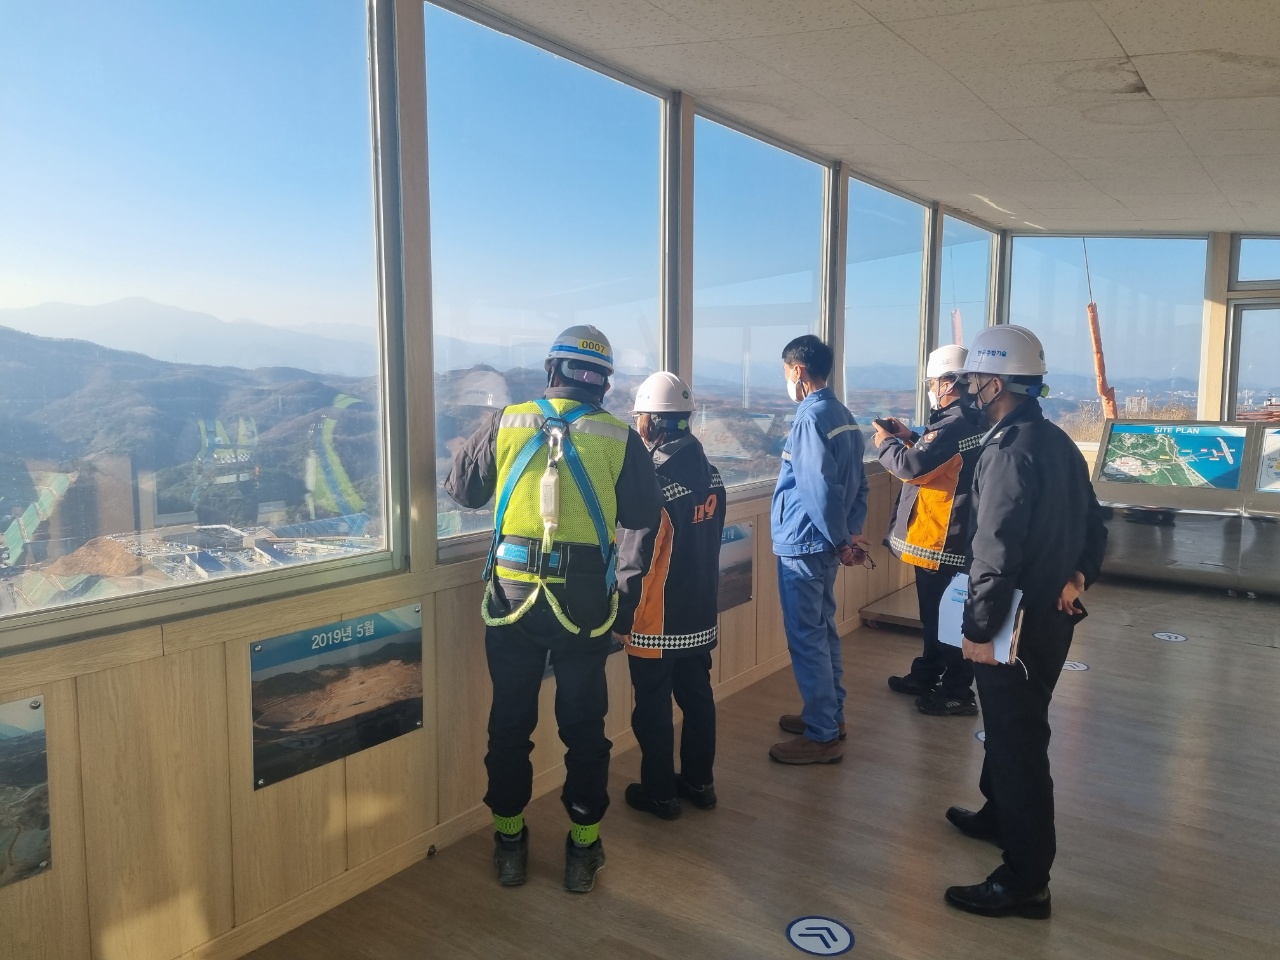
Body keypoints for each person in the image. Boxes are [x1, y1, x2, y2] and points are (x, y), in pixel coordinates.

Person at [445, 324, 661, 894]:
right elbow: (642, 515)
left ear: (550, 371)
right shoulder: (619, 437)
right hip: (583, 600)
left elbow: (463, 491)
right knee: (584, 727)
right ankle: (582, 850)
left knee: (510, 722)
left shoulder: (508, 420)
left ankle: (510, 845)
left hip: (512, 595)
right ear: (604, 384)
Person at [942, 324, 1106, 919]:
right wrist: (1077, 576)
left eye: (974, 380)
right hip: (1049, 619)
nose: (969, 390)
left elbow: (995, 553)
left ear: (997, 382)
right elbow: (1094, 525)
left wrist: (977, 630)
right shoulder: (1055, 441)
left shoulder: (1008, 452)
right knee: (1011, 729)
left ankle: (1025, 880)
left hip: (1016, 626)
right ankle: (999, 814)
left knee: (1018, 745)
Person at [617, 371, 725, 820]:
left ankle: (660, 793)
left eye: (639, 417)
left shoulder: (654, 483)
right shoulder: (712, 475)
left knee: (653, 708)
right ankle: (700, 783)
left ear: (651, 422)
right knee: (697, 699)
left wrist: (622, 616)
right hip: (699, 611)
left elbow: (636, 558)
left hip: (656, 618)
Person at [770, 335, 871, 764]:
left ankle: (823, 735)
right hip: (827, 543)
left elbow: (817, 488)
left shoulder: (809, 418)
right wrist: (849, 534)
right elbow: (859, 485)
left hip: (805, 543)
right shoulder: (843, 415)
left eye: (785, 372)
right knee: (823, 630)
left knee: (807, 636)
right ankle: (830, 715)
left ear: (798, 371)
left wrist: (840, 539)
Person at [874, 344, 984, 716]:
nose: (931, 389)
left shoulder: (953, 423)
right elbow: (941, 458)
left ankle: (957, 691)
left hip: (943, 540)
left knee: (945, 618)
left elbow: (913, 468)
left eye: (933, 382)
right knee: (936, 616)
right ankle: (928, 674)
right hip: (950, 536)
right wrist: (912, 435)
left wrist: (886, 443)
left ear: (949, 382)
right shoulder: (970, 418)